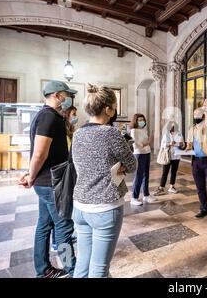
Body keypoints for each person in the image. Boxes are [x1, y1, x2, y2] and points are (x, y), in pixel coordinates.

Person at [72, 84, 136, 278]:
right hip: (105, 206)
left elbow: (81, 165)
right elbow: (132, 164)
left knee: (82, 264)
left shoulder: (77, 133)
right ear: (108, 109)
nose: (115, 110)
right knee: (99, 268)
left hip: (81, 205)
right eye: (114, 106)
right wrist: (120, 165)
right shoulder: (111, 132)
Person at [18, 80, 77, 278]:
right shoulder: (48, 117)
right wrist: (31, 177)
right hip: (52, 182)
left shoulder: (50, 116)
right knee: (63, 227)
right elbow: (39, 154)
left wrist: (32, 176)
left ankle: (43, 270)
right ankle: (71, 270)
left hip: (48, 181)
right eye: (66, 94)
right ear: (56, 95)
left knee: (44, 225)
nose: (68, 98)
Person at [130, 113, 157, 205]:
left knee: (146, 175)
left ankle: (146, 195)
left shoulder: (143, 130)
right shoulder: (134, 131)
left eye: (143, 120)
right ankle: (134, 197)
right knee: (139, 176)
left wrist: (151, 139)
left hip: (147, 153)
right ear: (135, 121)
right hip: (139, 154)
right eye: (139, 120)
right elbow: (136, 145)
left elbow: (146, 143)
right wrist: (148, 142)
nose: (142, 121)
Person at [154, 122, 184, 195]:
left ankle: (172, 187)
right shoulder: (166, 135)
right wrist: (169, 144)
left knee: (174, 172)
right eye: (171, 126)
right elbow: (162, 145)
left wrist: (181, 144)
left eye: (174, 126)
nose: (173, 128)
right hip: (168, 156)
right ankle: (161, 187)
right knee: (165, 172)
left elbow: (183, 145)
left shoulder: (179, 134)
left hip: (176, 156)